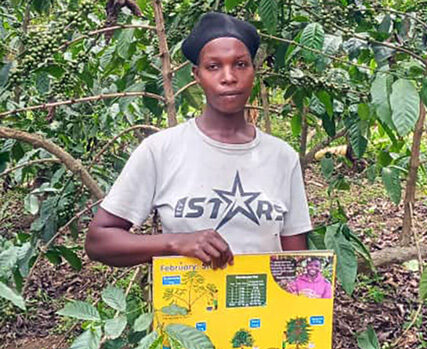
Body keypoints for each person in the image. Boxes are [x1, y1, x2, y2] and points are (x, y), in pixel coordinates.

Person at [85, 12, 312, 268]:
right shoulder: (160, 150)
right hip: (186, 306)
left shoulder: (282, 157)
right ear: (196, 75)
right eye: (214, 66)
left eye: (240, 64)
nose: (228, 77)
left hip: (264, 306)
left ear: (254, 71)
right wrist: (175, 243)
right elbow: (98, 241)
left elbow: (296, 259)